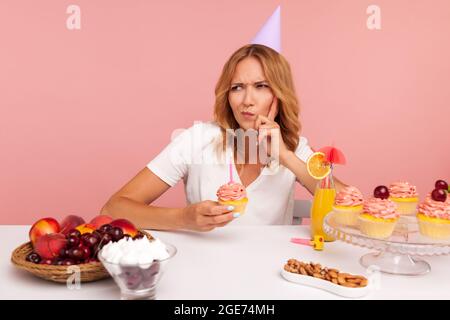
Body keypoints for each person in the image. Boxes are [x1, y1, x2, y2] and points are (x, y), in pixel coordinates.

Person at [100, 44, 347, 231]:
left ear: (280, 95)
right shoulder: (197, 139)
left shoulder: (295, 149)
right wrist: (183, 218)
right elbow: (113, 209)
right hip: (202, 273)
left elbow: (349, 211)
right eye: (237, 87)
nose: (247, 100)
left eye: (261, 86)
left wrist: (285, 156)